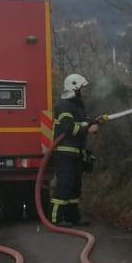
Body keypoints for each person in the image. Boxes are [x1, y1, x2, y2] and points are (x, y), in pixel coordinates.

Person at [50, 73, 100, 226]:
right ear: (74, 88)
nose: (82, 92)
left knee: (75, 186)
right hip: (64, 153)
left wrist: (94, 121)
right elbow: (67, 128)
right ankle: (56, 219)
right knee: (65, 184)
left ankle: (72, 217)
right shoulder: (63, 106)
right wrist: (88, 129)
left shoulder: (76, 105)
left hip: (76, 153)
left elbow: (81, 121)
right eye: (81, 88)